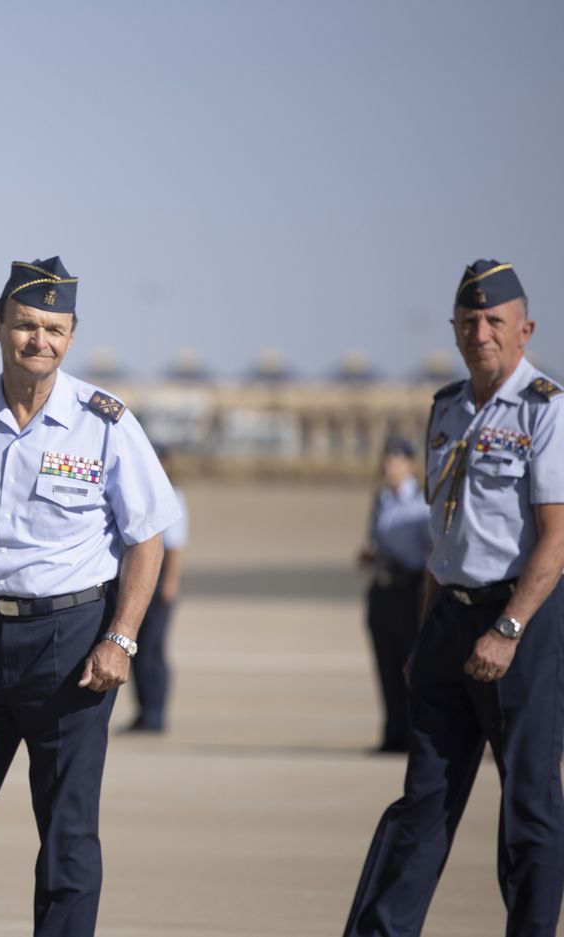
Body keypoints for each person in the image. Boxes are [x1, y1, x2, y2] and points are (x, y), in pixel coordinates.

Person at [0, 257, 180, 937]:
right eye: (26, 324)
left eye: (55, 329)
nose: (39, 340)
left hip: (71, 643)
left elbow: (147, 539)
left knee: (67, 834)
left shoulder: (104, 422)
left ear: (71, 336)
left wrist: (120, 638)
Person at [345, 260, 564, 937]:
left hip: (520, 620)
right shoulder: (446, 408)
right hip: (449, 616)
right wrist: (424, 636)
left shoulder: (546, 408)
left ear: (525, 329)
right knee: (422, 799)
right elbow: (445, 536)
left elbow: (556, 538)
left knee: (528, 803)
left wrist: (509, 628)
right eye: (469, 321)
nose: (481, 333)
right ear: (454, 328)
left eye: (495, 321)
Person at [356, 436, 431, 754]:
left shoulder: (423, 502)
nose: (389, 465)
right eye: (386, 459)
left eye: (396, 459)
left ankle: (417, 735)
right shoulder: (382, 499)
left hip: (409, 587)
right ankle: (394, 732)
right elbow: (374, 540)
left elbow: (430, 548)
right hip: (382, 586)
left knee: (410, 661)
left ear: (410, 464)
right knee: (386, 661)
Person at [127, 445, 188, 734]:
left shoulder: (170, 494)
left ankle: (155, 714)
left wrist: (170, 582)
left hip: (157, 578)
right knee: (134, 650)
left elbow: (175, 545)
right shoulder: (138, 491)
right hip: (136, 577)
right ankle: (144, 713)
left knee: (152, 650)